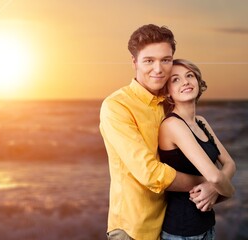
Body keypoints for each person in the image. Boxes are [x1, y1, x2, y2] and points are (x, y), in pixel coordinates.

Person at [100, 24, 213, 240]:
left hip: (172, 225)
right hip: (134, 228)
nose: (158, 69)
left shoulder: (170, 102)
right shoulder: (116, 106)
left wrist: (216, 181)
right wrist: (208, 184)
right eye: (149, 60)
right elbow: (149, 173)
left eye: (166, 60)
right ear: (134, 62)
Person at [158, 59, 236, 240]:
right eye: (175, 79)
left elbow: (229, 163)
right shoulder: (172, 125)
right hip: (182, 232)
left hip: (207, 226)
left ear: (198, 83)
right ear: (168, 93)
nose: (185, 82)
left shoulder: (201, 122)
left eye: (189, 76)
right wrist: (228, 191)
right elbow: (216, 176)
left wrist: (213, 187)